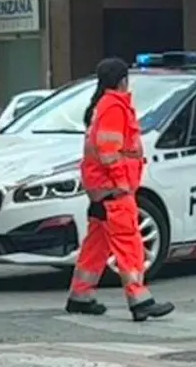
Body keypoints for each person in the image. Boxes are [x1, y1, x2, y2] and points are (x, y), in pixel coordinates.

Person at [65, 57, 174, 322]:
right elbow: (109, 150)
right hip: (114, 190)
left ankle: (80, 295)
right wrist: (121, 183)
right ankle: (140, 300)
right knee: (129, 244)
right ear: (123, 80)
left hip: (101, 189)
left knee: (96, 246)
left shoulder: (103, 106)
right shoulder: (114, 106)